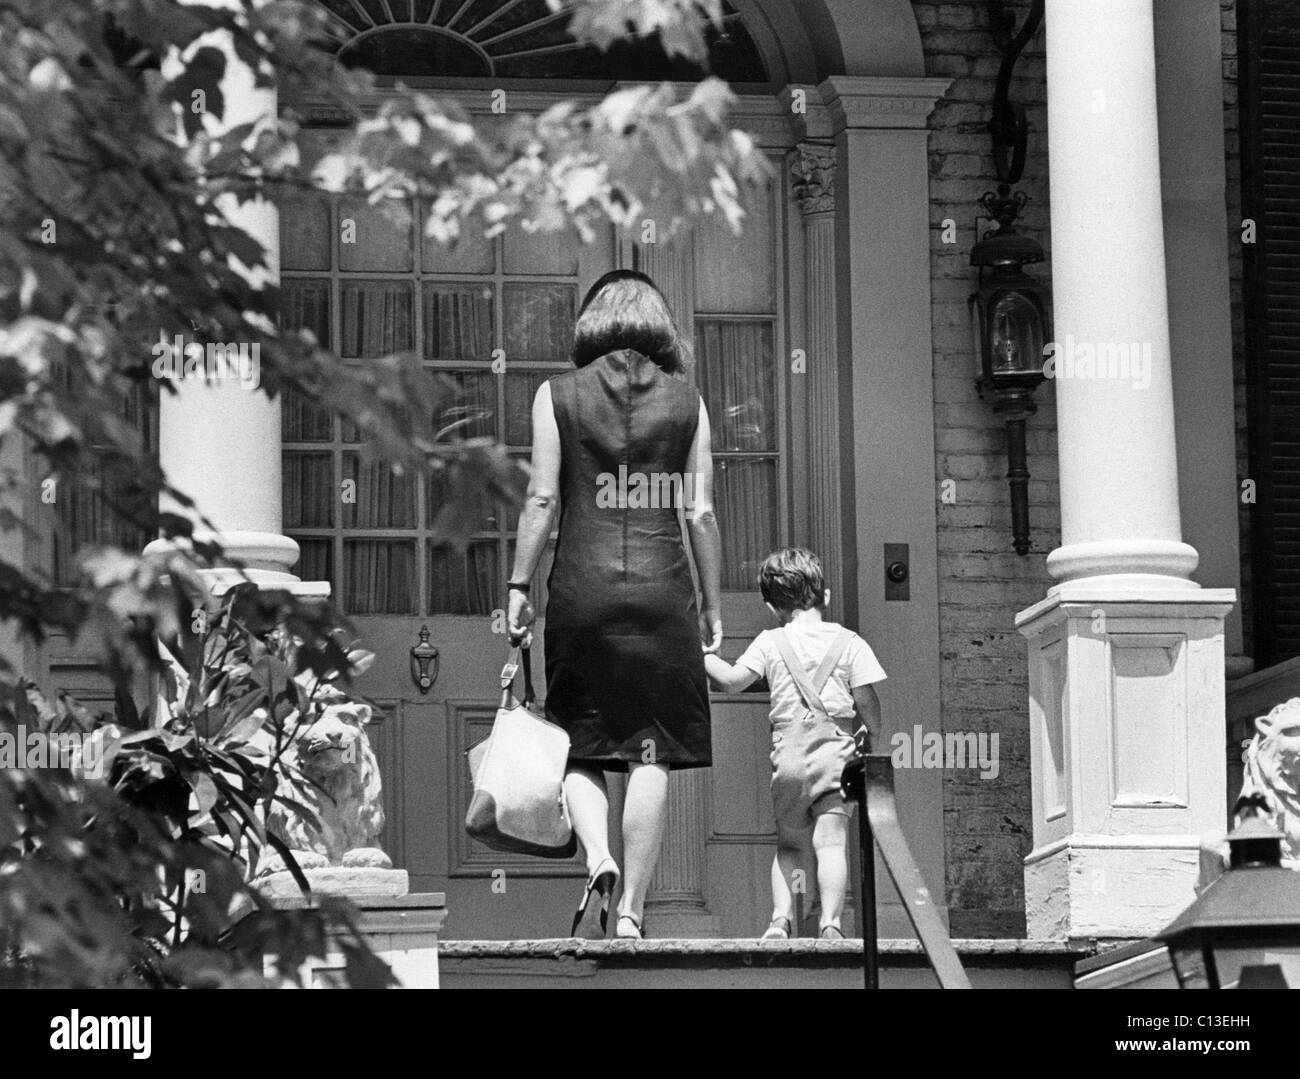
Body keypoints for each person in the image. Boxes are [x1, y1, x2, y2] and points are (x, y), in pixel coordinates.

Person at [507, 269, 723, 940]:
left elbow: (542, 499)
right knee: (649, 753)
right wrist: (714, 603)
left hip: (581, 593)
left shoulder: (556, 395)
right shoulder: (689, 402)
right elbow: (701, 511)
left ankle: (597, 857)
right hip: (663, 596)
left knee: (577, 743)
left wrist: (518, 585)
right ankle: (631, 909)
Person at [703, 547, 885, 939]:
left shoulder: (771, 642)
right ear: (827, 595)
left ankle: (779, 921)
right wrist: (873, 730)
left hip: (788, 755)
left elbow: (733, 681)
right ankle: (831, 923)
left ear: (772, 607)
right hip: (836, 753)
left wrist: (697, 654)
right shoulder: (850, 642)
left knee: (788, 845)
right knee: (832, 841)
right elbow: (866, 698)